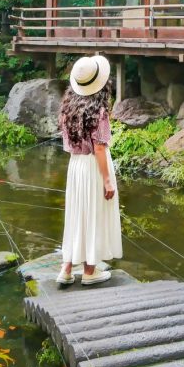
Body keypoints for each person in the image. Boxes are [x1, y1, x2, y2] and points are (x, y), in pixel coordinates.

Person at [56, 54, 122, 285]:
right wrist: (107, 181)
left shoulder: (67, 109)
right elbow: (100, 149)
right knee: (93, 214)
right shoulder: (98, 112)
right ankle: (89, 270)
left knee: (77, 215)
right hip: (94, 167)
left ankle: (66, 269)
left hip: (76, 167)